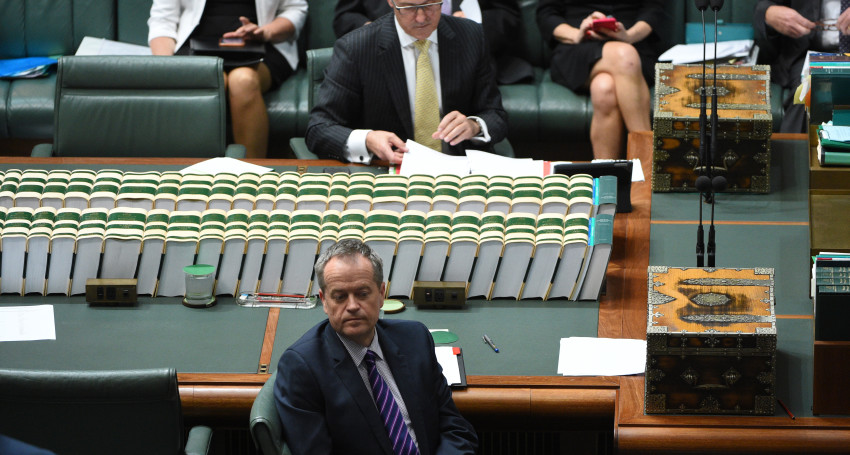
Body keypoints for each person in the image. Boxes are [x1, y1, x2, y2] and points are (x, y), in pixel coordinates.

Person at [273, 239, 478, 454]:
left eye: (362, 294)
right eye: (340, 296)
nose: (352, 306)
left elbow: (454, 428)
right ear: (324, 301)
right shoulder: (302, 367)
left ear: (381, 294)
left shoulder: (415, 339)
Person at [306, 0, 508, 164]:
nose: (421, 17)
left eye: (430, 4)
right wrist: (367, 140)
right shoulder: (356, 48)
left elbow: (495, 114)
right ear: (391, 3)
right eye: (409, 7)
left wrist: (474, 126)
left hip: (459, 168)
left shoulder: (471, 36)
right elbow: (319, 128)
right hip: (389, 171)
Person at [148, 0, 308, 158]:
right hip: (194, 46)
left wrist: (266, 32)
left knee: (243, 81)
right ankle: (199, 178)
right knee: (210, 82)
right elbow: (163, 20)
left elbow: (294, 9)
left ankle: (251, 178)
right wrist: (167, 66)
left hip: (262, 44)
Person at [537, 0, 664, 159]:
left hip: (635, 43)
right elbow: (547, 13)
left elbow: (654, 8)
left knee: (604, 88)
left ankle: (606, 179)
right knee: (626, 57)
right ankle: (648, 164)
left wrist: (629, 36)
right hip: (578, 47)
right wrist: (577, 34)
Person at [333, 0, 533, 84]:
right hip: (389, 59)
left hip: (462, 58)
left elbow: (507, 17)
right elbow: (345, 17)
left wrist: (472, 28)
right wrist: (375, 32)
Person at [754, 0, 850, 133]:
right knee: (808, 91)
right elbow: (763, 6)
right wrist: (769, 12)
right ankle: (791, 152)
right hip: (808, 52)